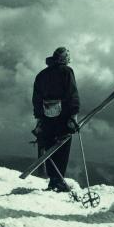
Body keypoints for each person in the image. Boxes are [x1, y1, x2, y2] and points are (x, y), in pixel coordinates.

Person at [32, 47, 80, 192]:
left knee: (50, 148)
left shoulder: (41, 75)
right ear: (65, 59)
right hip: (63, 117)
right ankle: (58, 182)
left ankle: (53, 180)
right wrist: (73, 115)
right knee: (62, 148)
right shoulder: (67, 71)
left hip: (47, 118)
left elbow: (36, 98)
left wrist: (39, 117)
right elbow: (72, 93)